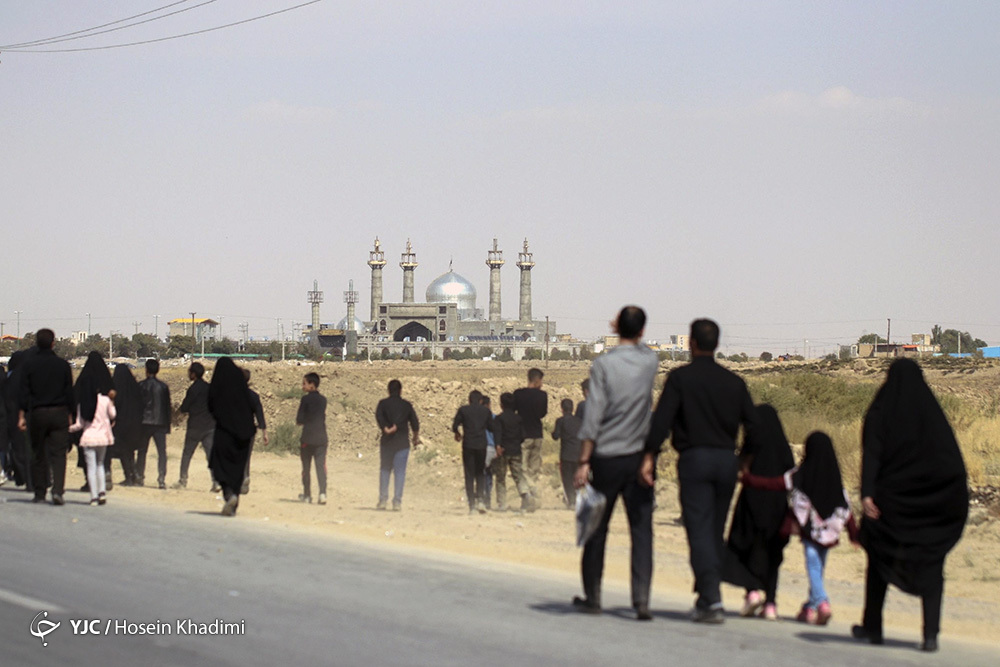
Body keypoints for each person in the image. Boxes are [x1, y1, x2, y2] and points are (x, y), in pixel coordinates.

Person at [642, 318, 755, 623]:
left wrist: (650, 454)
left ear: (691, 343)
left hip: (695, 461)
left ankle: (712, 600)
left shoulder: (680, 379)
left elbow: (661, 422)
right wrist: (744, 459)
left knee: (699, 530)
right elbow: (755, 425)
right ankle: (707, 595)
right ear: (716, 345)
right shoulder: (734, 382)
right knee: (715, 529)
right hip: (726, 462)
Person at [852, 358, 968, 653]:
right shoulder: (932, 415)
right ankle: (930, 635)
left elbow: (873, 455)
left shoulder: (881, 411)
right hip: (933, 506)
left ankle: (873, 627)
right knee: (932, 565)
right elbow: (953, 465)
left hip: (891, 505)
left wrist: (867, 494)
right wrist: (951, 498)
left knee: (879, 561)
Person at [573, 306, 659, 620]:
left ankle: (593, 596)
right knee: (641, 530)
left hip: (606, 457)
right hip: (638, 458)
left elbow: (593, 414)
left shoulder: (603, 365)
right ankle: (642, 600)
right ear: (642, 330)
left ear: (615, 326)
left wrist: (583, 459)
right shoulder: (651, 361)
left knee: (597, 528)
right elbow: (643, 348)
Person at [741, 431, 860, 625]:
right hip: (830, 532)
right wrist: (854, 535)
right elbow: (846, 510)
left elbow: (774, 484)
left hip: (810, 531)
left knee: (814, 567)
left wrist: (748, 480)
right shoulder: (836, 480)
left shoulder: (800, 475)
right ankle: (809, 608)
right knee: (818, 570)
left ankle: (822, 603)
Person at [723, 404, 795, 621]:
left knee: (748, 547)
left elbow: (739, 469)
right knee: (773, 553)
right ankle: (771, 604)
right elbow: (791, 474)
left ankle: (752, 592)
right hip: (777, 506)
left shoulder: (753, 445)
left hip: (752, 501)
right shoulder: (783, 447)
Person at [17, 329, 75, 505]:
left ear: (36, 343)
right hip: (59, 413)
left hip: (38, 413)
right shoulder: (63, 365)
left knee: (38, 453)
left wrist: (21, 416)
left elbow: (23, 393)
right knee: (58, 454)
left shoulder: (29, 365)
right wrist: (70, 415)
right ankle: (58, 491)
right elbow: (69, 392)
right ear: (53, 343)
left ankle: (40, 492)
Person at [207, 357, 256, 517]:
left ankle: (229, 495)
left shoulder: (219, 389)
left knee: (220, 466)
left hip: (225, 432)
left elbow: (211, 405)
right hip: (245, 434)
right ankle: (234, 504)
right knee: (237, 470)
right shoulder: (243, 390)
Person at [70, 352, 116, 506]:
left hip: (87, 430)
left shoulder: (83, 381)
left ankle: (91, 489)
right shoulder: (107, 385)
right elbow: (113, 408)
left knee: (89, 462)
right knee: (101, 462)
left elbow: (75, 398)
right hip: (104, 430)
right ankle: (103, 485)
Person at [374, 379, 419, 511]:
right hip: (402, 444)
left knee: (385, 470)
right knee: (400, 473)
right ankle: (397, 502)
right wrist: (415, 438)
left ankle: (382, 501)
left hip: (387, 442)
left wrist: (385, 429)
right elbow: (415, 423)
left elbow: (379, 417)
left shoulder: (382, 404)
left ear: (388, 390)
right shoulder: (406, 405)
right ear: (400, 390)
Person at [174, 362, 218, 491]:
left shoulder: (193, 389)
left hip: (195, 426)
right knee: (210, 455)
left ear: (193, 374)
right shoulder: (209, 388)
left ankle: (182, 481)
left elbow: (185, 407)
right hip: (209, 426)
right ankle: (216, 481)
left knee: (187, 453)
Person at [452, 389, 493, 514]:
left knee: (469, 475)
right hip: (481, 445)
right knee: (480, 473)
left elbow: (454, 425)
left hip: (468, 445)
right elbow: (491, 427)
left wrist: (458, 434)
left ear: (469, 400)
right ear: (481, 401)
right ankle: (481, 499)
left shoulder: (463, 410)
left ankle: (472, 505)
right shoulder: (486, 411)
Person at [513, 368, 547, 505]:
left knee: (522, 468)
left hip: (523, 435)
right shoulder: (542, 395)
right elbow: (542, 414)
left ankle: (529, 494)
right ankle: (532, 493)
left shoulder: (518, 394)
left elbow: (514, 411)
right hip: (537, 434)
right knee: (534, 468)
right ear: (537, 380)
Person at [492, 392, 531, 512]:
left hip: (503, 451)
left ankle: (502, 504)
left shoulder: (499, 418)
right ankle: (525, 494)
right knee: (518, 475)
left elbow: (497, 435)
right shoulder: (519, 419)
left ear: (501, 404)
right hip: (516, 450)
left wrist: (498, 446)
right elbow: (523, 436)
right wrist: (516, 442)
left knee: (500, 478)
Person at [136, 358, 171, 488]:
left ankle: (140, 476)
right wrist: (168, 426)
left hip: (144, 422)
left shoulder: (140, 385)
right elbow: (167, 408)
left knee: (142, 451)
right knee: (162, 452)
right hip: (160, 423)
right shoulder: (163, 387)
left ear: (146, 370)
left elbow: (138, 406)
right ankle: (161, 479)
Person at [5, 349, 36, 491]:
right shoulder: (33, 375)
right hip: (34, 417)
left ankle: (23, 477)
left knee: (19, 450)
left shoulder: (12, 378)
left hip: (15, 418)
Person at [297, 372, 328, 505]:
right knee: (321, 467)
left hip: (307, 438)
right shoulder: (323, 400)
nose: (303, 386)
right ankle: (322, 493)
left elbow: (299, 419)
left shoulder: (305, 400)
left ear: (312, 385)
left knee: (306, 468)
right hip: (321, 438)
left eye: (305, 383)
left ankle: (307, 494)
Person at [112, 364, 144, 486]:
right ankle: (135, 474)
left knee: (123, 452)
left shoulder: (116, 388)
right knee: (130, 451)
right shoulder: (135, 388)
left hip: (121, 424)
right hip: (136, 424)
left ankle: (129, 477)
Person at [241, 368, 268, 495]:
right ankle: (245, 478)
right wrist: (264, 432)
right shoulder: (254, 396)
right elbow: (260, 415)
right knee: (246, 456)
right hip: (249, 430)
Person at [552, 398, 582, 509]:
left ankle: (572, 501)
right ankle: (577, 499)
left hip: (566, 454)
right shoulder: (579, 421)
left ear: (562, 409)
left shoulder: (560, 421)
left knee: (567, 479)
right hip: (578, 453)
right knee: (576, 478)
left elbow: (556, 436)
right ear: (572, 408)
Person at [481, 395, 496, 509]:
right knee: (489, 474)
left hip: (482, 448)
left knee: (482, 474)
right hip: (494, 449)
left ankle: (483, 498)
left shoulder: (478, 418)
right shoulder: (495, 417)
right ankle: (488, 497)